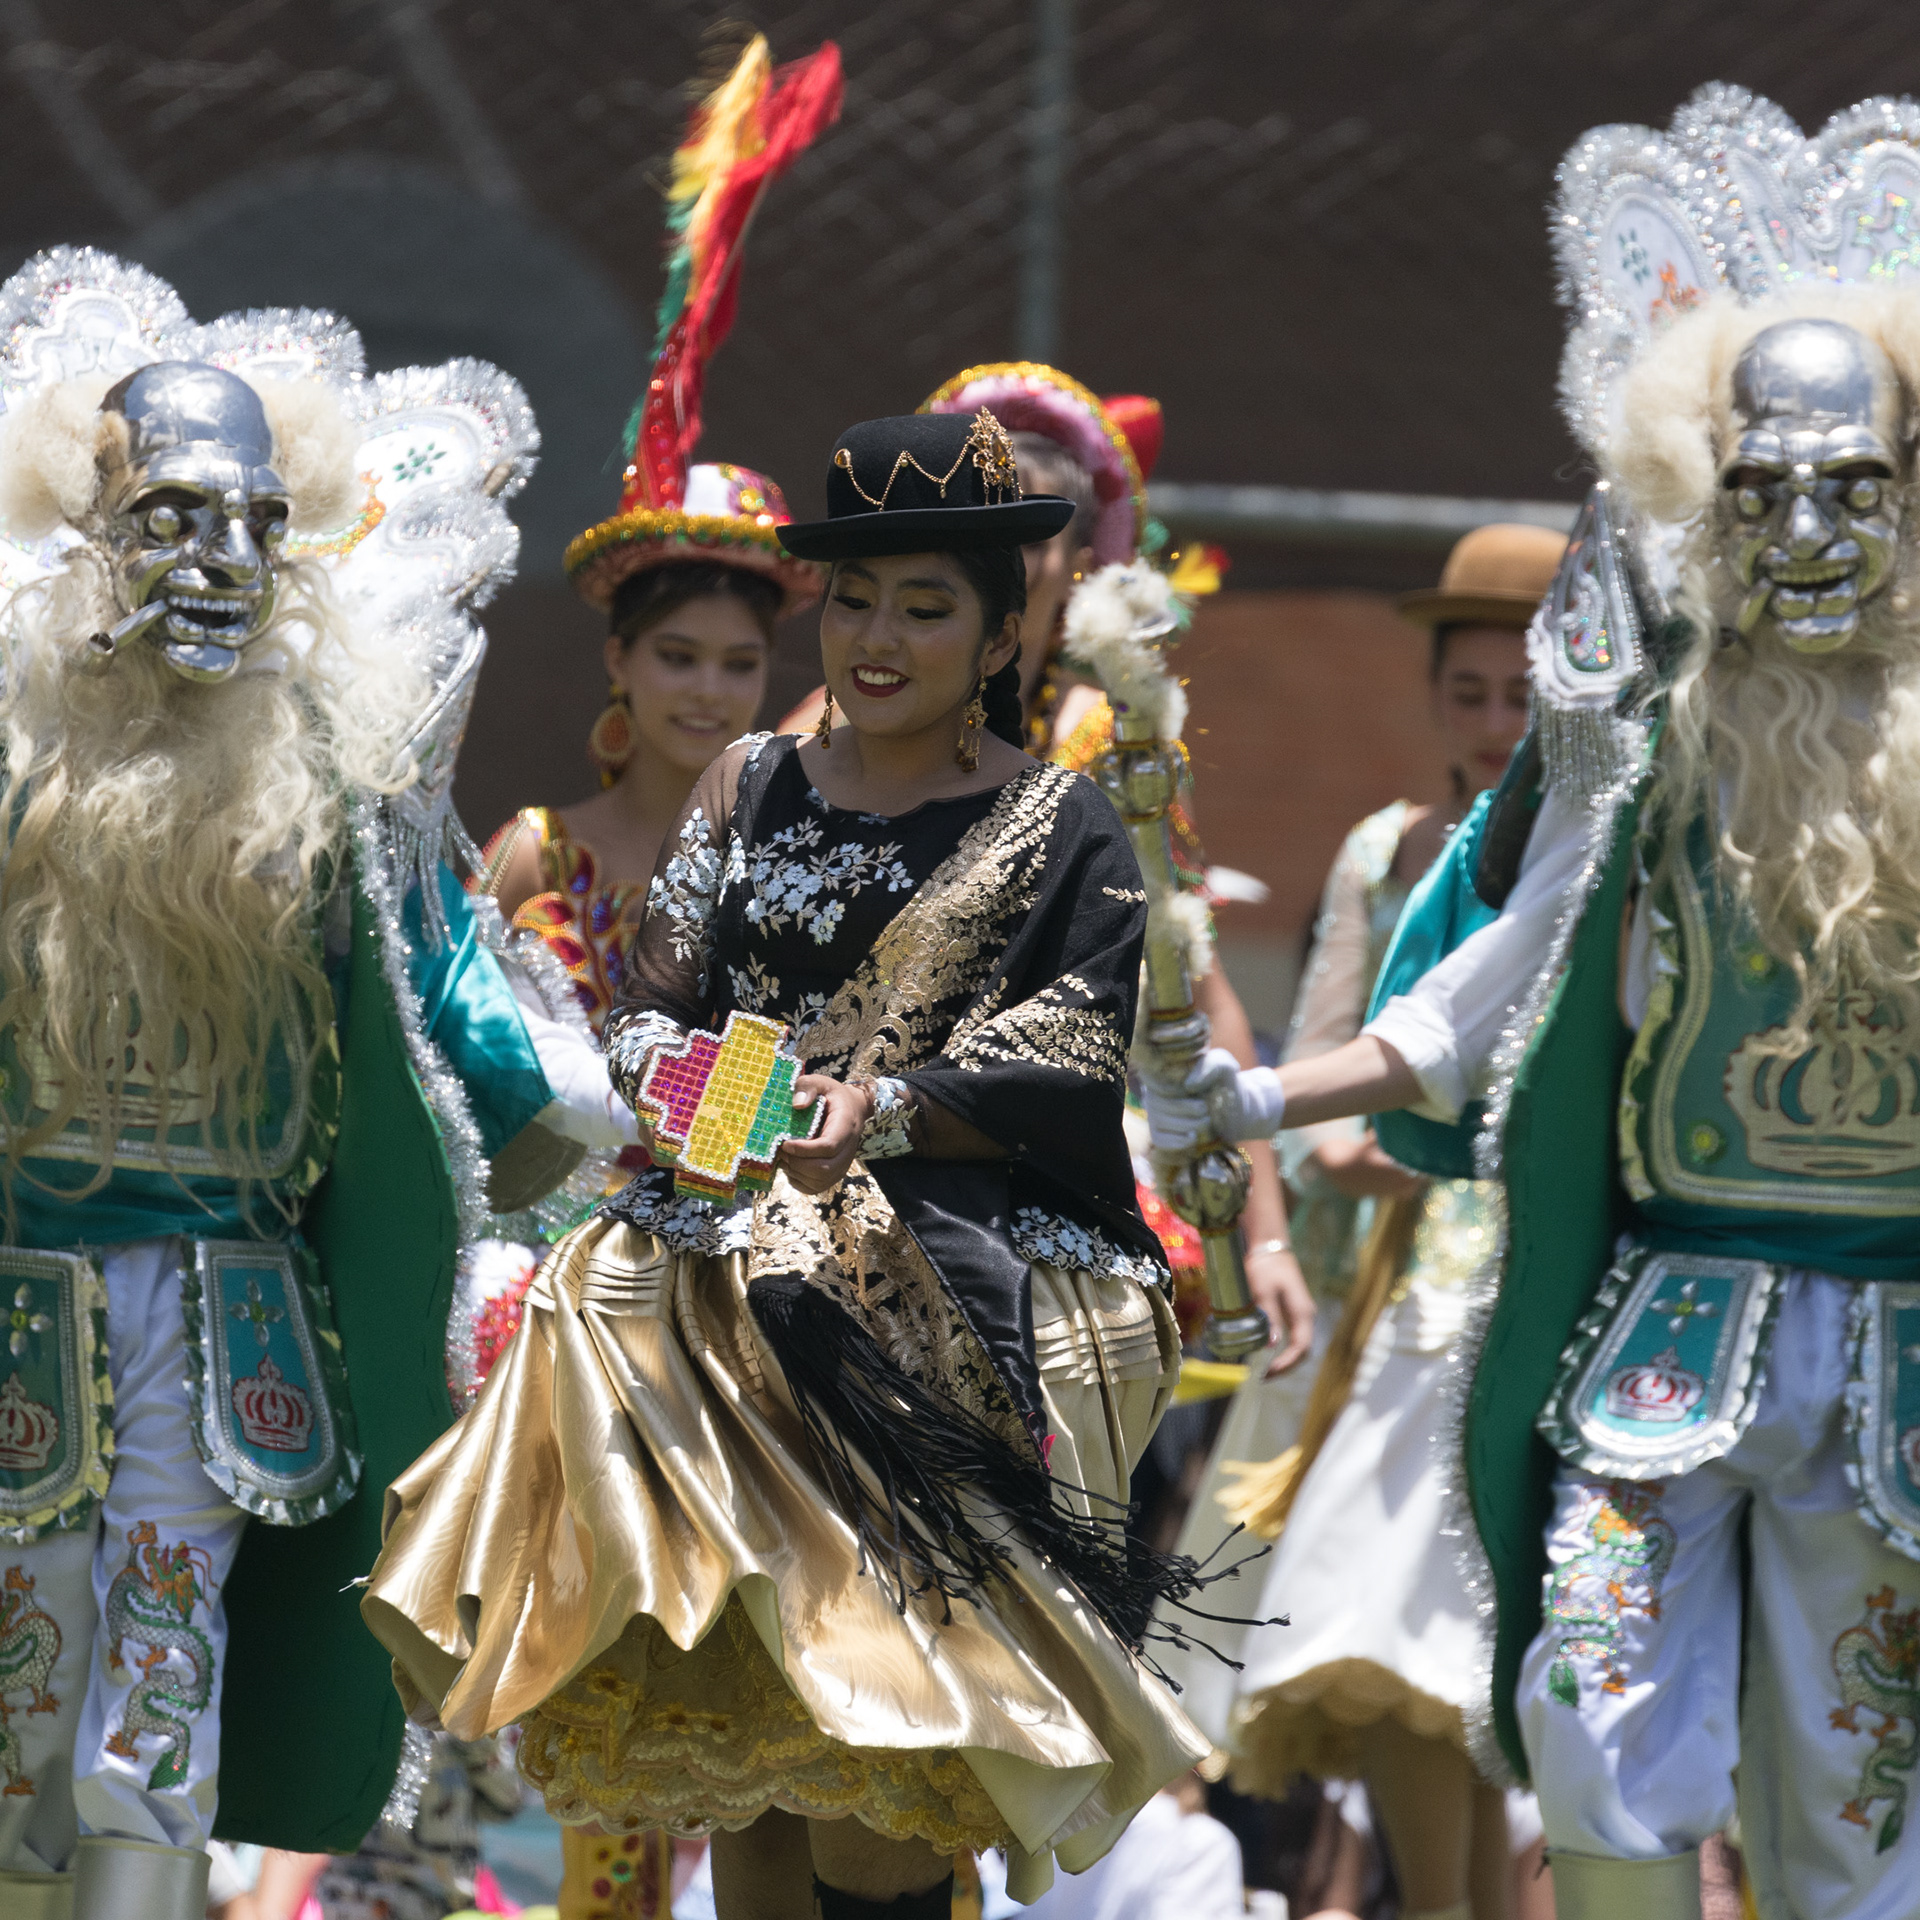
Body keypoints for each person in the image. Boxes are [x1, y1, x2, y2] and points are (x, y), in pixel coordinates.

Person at [1146, 83, 1920, 1920]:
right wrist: (1260, 1103)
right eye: (1767, 490)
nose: (1811, 531)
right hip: (1669, 1336)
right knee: (1595, 1728)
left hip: (1897, 1363)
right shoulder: (1656, 750)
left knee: (1858, 1799)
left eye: (1855, 487)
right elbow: (1487, 992)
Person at [364, 406, 1217, 1919]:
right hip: (706, 1310)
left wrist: (874, 1112)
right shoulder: (747, 785)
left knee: (880, 1789)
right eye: (855, 599)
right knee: (751, 1781)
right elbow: (651, 1007)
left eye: (925, 607)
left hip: (935, 1314)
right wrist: (711, 1099)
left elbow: (1074, 1049)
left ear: (1000, 630)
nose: (878, 639)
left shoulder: (1063, 825)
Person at [0, 250, 632, 1920]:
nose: (218, 560)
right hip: (21, 1285)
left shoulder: (337, 774)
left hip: (224, 1311)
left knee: (160, 1687)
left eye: (256, 526)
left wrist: (599, 1113)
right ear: (96, 529)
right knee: (17, 1681)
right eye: (174, 518)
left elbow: (446, 1001)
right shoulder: (17, 745)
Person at [1187, 526, 1557, 1920]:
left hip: (1527, 1285)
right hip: (1392, 1294)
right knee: (1399, 1636)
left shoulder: (1598, 848)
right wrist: (1346, 1168)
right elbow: (1326, 1075)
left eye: (1520, 693)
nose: (1494, 722)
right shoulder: (1391, 852)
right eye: (1468, 691)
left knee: (1451, 1642)